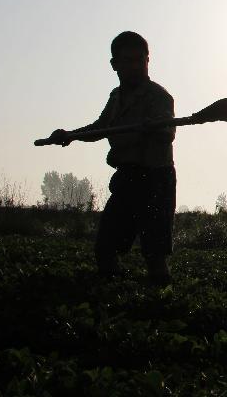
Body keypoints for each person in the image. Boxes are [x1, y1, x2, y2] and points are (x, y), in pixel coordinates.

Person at [47, 31, 176, 286]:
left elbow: (168, 134)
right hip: (128, 178)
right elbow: (101, 128)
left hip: (156, 180)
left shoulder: (158, 96)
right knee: (105, 248)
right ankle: (111, 295)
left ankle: (162, 304)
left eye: (140, 60)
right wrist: (71, 135)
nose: (135, 66)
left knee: (154, 253)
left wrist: (154, 128)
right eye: (127, 61)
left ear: (148, 60)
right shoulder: (116, 97)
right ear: (114, 64)